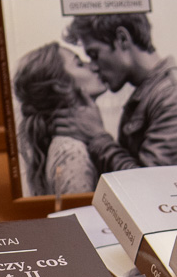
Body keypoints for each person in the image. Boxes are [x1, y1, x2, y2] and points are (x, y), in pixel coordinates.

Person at [50, 13, 177, 174]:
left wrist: (96, 136)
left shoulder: (175, 97)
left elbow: (149, 184)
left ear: (122, 39)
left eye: (95, 54)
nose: (93, 66)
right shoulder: (154, 93)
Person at [10, 43, 109, 196]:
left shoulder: (71, 144)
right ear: (60, 86)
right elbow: (80, 211)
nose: (94, 66)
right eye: (79, 64)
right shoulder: (72, 151)